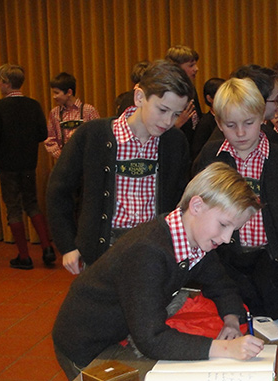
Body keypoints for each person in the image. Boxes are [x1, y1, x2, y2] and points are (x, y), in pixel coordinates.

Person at [52, 162, 265, 381]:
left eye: (234, 230)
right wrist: (226, 349)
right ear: (197, 206)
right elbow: (151, 339)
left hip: (120, 331)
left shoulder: (197, 242)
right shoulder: (148, 252)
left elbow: (221, 284)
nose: (226, 238)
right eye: (223, 224)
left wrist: (231, 320)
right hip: (84, 342)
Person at [193, 77, 278, 313]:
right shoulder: (211, 156)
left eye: (249, 122)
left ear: (262, 114)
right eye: (231, 125)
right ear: (218, 122)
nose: (241, 132)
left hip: (275, 264)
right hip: (225, 265)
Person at [47, 59, 192, 274]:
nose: (168, 121)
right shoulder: (92, 135)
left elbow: (182, 199)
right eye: (162, 109)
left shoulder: (175, 142)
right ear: (140, 97)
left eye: (176, 114)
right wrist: (68, 245)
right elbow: (58, 191)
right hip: (102, 248)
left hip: (154, 248)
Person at [0, 64, 57, 270]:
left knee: (13, 207)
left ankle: (24, 256)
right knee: (32, 203)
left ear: (7, 83)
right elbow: (43, 134)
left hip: (7, 165)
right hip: (28, 163)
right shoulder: (33, 105)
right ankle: (47, 248)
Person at [43, 72, 100, 159]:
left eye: (57, 93)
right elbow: (50, 140)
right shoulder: (54, 113)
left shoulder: (88, 110)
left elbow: (98, 135)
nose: (54, 97)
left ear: (69, 92)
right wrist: (62, 156)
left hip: (86, 161)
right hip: (64, 162)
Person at [166, 44, 203, 147]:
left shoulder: (190, 88)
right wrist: (176, 125)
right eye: (191, 65)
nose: (196, 69)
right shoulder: (167, 92)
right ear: (176, 67)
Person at [191, 76, 225, 159]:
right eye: (221, 95)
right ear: (209, 98)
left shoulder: (229, 118)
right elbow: (198, 154)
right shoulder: (205, 123)